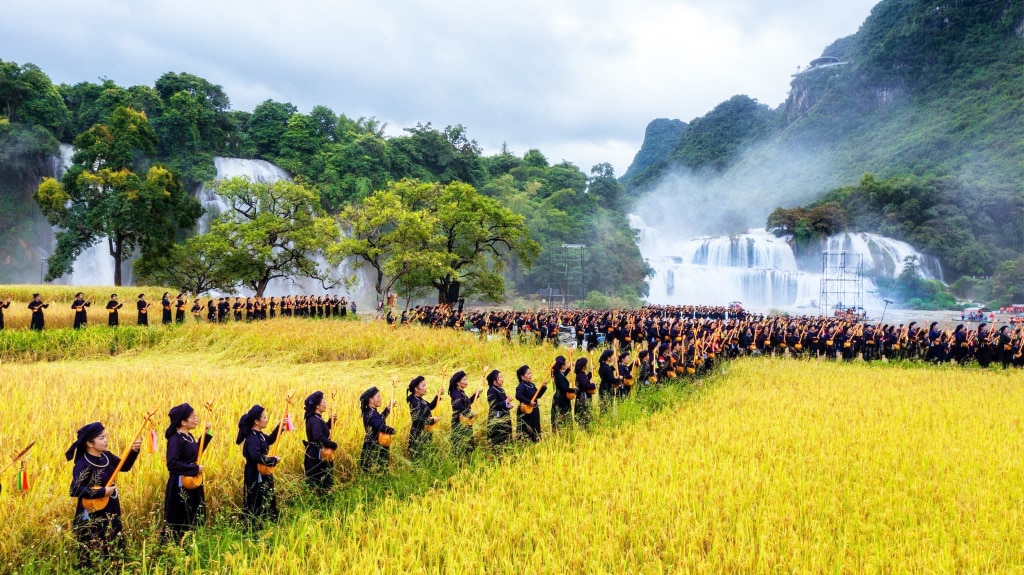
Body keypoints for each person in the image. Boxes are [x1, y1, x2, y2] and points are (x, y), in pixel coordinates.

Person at [65, 422, 142, 567]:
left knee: (113, 540)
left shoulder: (106, 456)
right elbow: (74, 489)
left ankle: (115, 566)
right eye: (101, 438)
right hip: (92, 512)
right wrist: (102, 491)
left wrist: (133, 451)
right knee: (93, 547)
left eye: (105, 437)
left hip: (110, 507)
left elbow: (124, 467)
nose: (106, 440)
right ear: (89, 443)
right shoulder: (83, 464)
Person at [164, 403, 211, 544]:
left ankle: (193, 543)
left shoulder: (188, 436)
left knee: (194, 514)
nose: (196, 419)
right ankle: (177, 546)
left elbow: (195, 454)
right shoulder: (175, 440)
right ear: (183, 422)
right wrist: (195, 469)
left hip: (192, 483)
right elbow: (172, 464)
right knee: (181, 517)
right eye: (193, 417)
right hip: (180, 486)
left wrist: (205, 434)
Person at [236, 405, 280, 529]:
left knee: (266, 497)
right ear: (256, 421)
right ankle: (253, 526)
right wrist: (273, 460)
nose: (267, 419)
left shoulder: (259, 435)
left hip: (263, 472)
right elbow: (256, 457)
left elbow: (270, 440)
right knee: (256, 499)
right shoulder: (252, 438)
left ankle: (266, 523)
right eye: (264, 417)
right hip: (254, 474)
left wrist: (280, 427)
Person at [302, 391, 337, 494]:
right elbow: (318, 436)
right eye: (324, 402)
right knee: (320, 482)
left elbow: (322, 430)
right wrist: (331, 444)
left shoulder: (315, 418)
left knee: (321, 482)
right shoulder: (314, 419)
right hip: (316, 455)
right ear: (317, 406)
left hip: (318, 453)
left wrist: (330, 422)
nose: (325, 404)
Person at [359, 387, 395, 473]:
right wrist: (390, 430)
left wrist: (388, 408)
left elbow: (380, 418)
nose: (380, 399)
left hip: (375, 446)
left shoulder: (371, 411)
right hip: (373, 448)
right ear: (371, 400)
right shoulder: (370, 413)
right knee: (375, 473)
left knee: (379, 473)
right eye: (378, 397)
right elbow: (378, 425)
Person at [406, 376, 442, 460]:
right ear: (416, 389)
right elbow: (418, 419)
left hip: (425, 432)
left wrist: (438, 395)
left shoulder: (420, 400)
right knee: (418, 457)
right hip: (418, 434)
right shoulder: (414, 402)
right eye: (423, 386)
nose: (425, 388)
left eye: (425, 385)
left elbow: (431, 406)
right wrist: (431, 420)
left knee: (425, 456)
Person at [449, 370, 480, 457]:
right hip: (460, 421)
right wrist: (469, 413)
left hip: (464, 420)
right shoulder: (457, 393)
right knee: (461, 443)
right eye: (464, 380)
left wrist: (476, 395)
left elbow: (467, 403)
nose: (466, 382)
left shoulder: (460, 392)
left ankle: (466, 461)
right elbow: (458, 405)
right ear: (458, 383)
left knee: (467, 442)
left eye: (467, 380)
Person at [515, 365, 546, 442]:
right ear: (522, 376)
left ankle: (535, 441)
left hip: (534, 410)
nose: (530, 375)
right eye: (528, 374)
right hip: (526, 411)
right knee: (526, 429)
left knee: (535, 428)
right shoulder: (521, 385)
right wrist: (528, 402)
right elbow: (518, 395)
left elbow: (537, 395)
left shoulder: (532, 385)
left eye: (530, 373)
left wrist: (543, 388)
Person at [485, 370, 513, 448]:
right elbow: (494, 405)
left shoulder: (501, 390)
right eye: (500, 377)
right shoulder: (491, 390)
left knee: (506, 435)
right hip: (496, 417)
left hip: (505, 416)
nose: (502, 379)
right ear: (494, 380)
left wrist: (508, 405)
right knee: (498, 436)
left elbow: (502, 403)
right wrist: (506, 401)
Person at [550, 356, 576, 432]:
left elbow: (563, 375)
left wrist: (569, 368)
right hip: (560, 399)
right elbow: (564, 388)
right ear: (562, 365)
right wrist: (573, 390)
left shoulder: (560, 374)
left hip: (562, 397)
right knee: (561, 415)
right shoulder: (558, 376)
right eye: (566, 363)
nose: (567, 364)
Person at [573, 356, 596, 429]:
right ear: (582, 366)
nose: (586, 366)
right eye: (585, 364)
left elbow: (586, 379)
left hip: (581, 396)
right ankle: (584, 427)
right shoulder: (580, 375)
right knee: (584, 411)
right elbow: (586, 384)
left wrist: (590, 372)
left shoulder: (581, 374)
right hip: (583, 396)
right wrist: (594, 385)